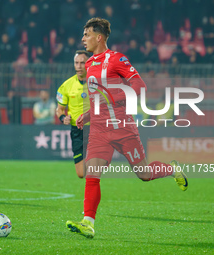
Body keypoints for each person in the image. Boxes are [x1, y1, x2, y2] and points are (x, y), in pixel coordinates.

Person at [66, 18, 188, 238]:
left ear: (99, 37)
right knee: (92, 174)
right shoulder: (90, 64)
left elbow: (140, 87)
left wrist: (111, 97)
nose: (83, 39)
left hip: (123, 128)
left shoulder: (117, 59)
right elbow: (98, 100)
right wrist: (86, 115)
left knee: (144, 174)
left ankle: (172, 169)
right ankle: (88, 222)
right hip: (99, 131)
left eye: (86, 35)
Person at [56, 50, 90, 178]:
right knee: (81, 174)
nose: (79, 66)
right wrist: (63, 118)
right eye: (76, 63)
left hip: (94, 129)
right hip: (77, 131)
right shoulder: (66, 85)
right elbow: (59, 109)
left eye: (82, 63)